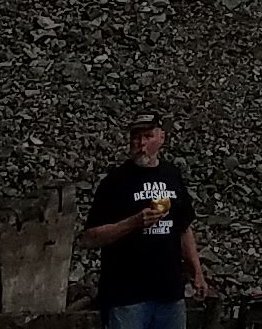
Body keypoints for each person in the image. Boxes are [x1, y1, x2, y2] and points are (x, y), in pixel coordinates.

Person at [80, 116, 204, 329]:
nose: (141, 144)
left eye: (148, 136)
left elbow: (183, 228)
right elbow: (89, 238)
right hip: (127, 297)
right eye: (136, 137)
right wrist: (133, 223)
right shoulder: (115, 182)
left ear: (161, 138)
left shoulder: (171, 176)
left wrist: (197, 272)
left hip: (170, 295)